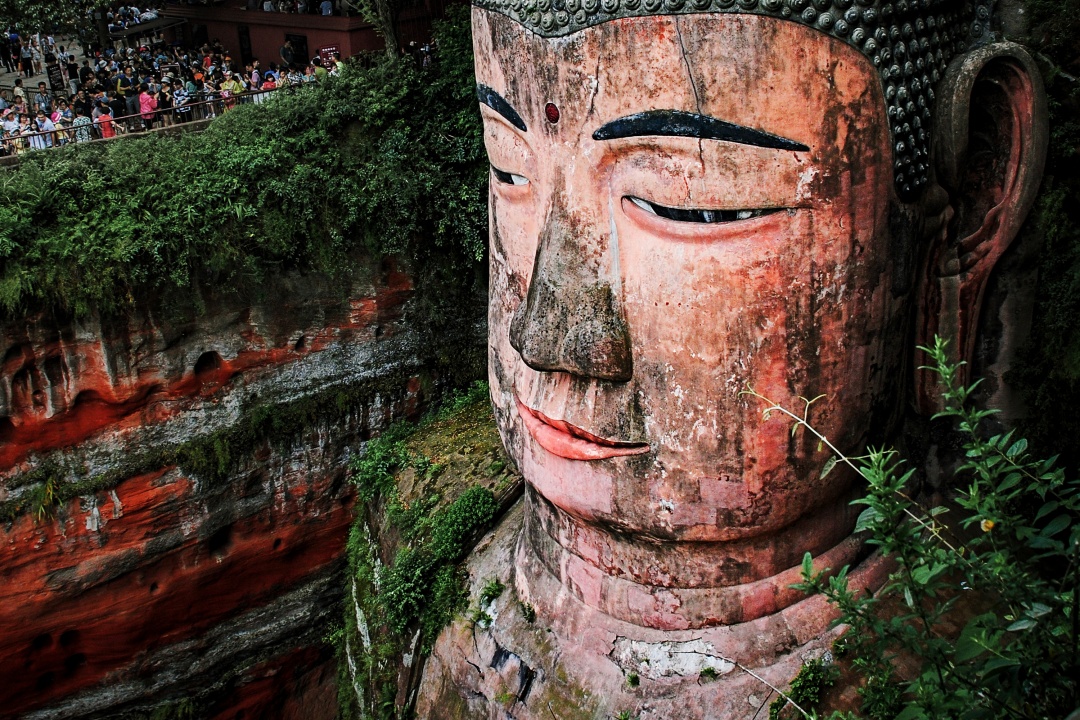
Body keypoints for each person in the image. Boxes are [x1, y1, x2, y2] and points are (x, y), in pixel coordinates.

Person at [415, 0, 1050, 713]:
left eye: (691, 208)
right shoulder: (432, 559)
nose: (550, 336)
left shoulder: (980, 679)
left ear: (967, 212)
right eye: (508, 170)